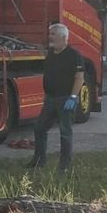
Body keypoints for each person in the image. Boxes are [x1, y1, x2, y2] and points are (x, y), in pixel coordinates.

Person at [27, 23, 84, 173]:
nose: (50, 37)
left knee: (65, 132)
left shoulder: (74, 55)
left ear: (63, 37)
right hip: (50, 99)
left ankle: (64, 166)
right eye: (50, 34)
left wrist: (72, 97)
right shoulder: (51, 54)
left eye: (53, 34)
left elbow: (79, 78)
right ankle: (39, 160)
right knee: (39, 128)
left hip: (65, 99)